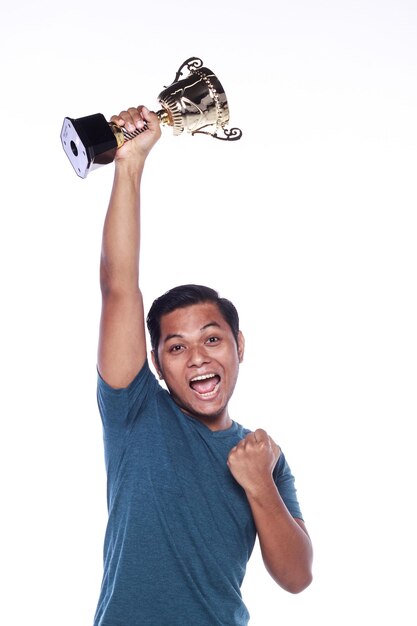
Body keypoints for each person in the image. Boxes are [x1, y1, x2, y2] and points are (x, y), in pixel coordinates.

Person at [93, 105, 313, 626]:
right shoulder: (136, 410)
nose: (197, 357)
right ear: (157, 364)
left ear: (239, 345)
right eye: (176, 347)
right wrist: (129, 165)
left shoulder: (264, 458)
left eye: (212, 339)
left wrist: (258, 480)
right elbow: (118, 287)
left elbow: (298, 576)